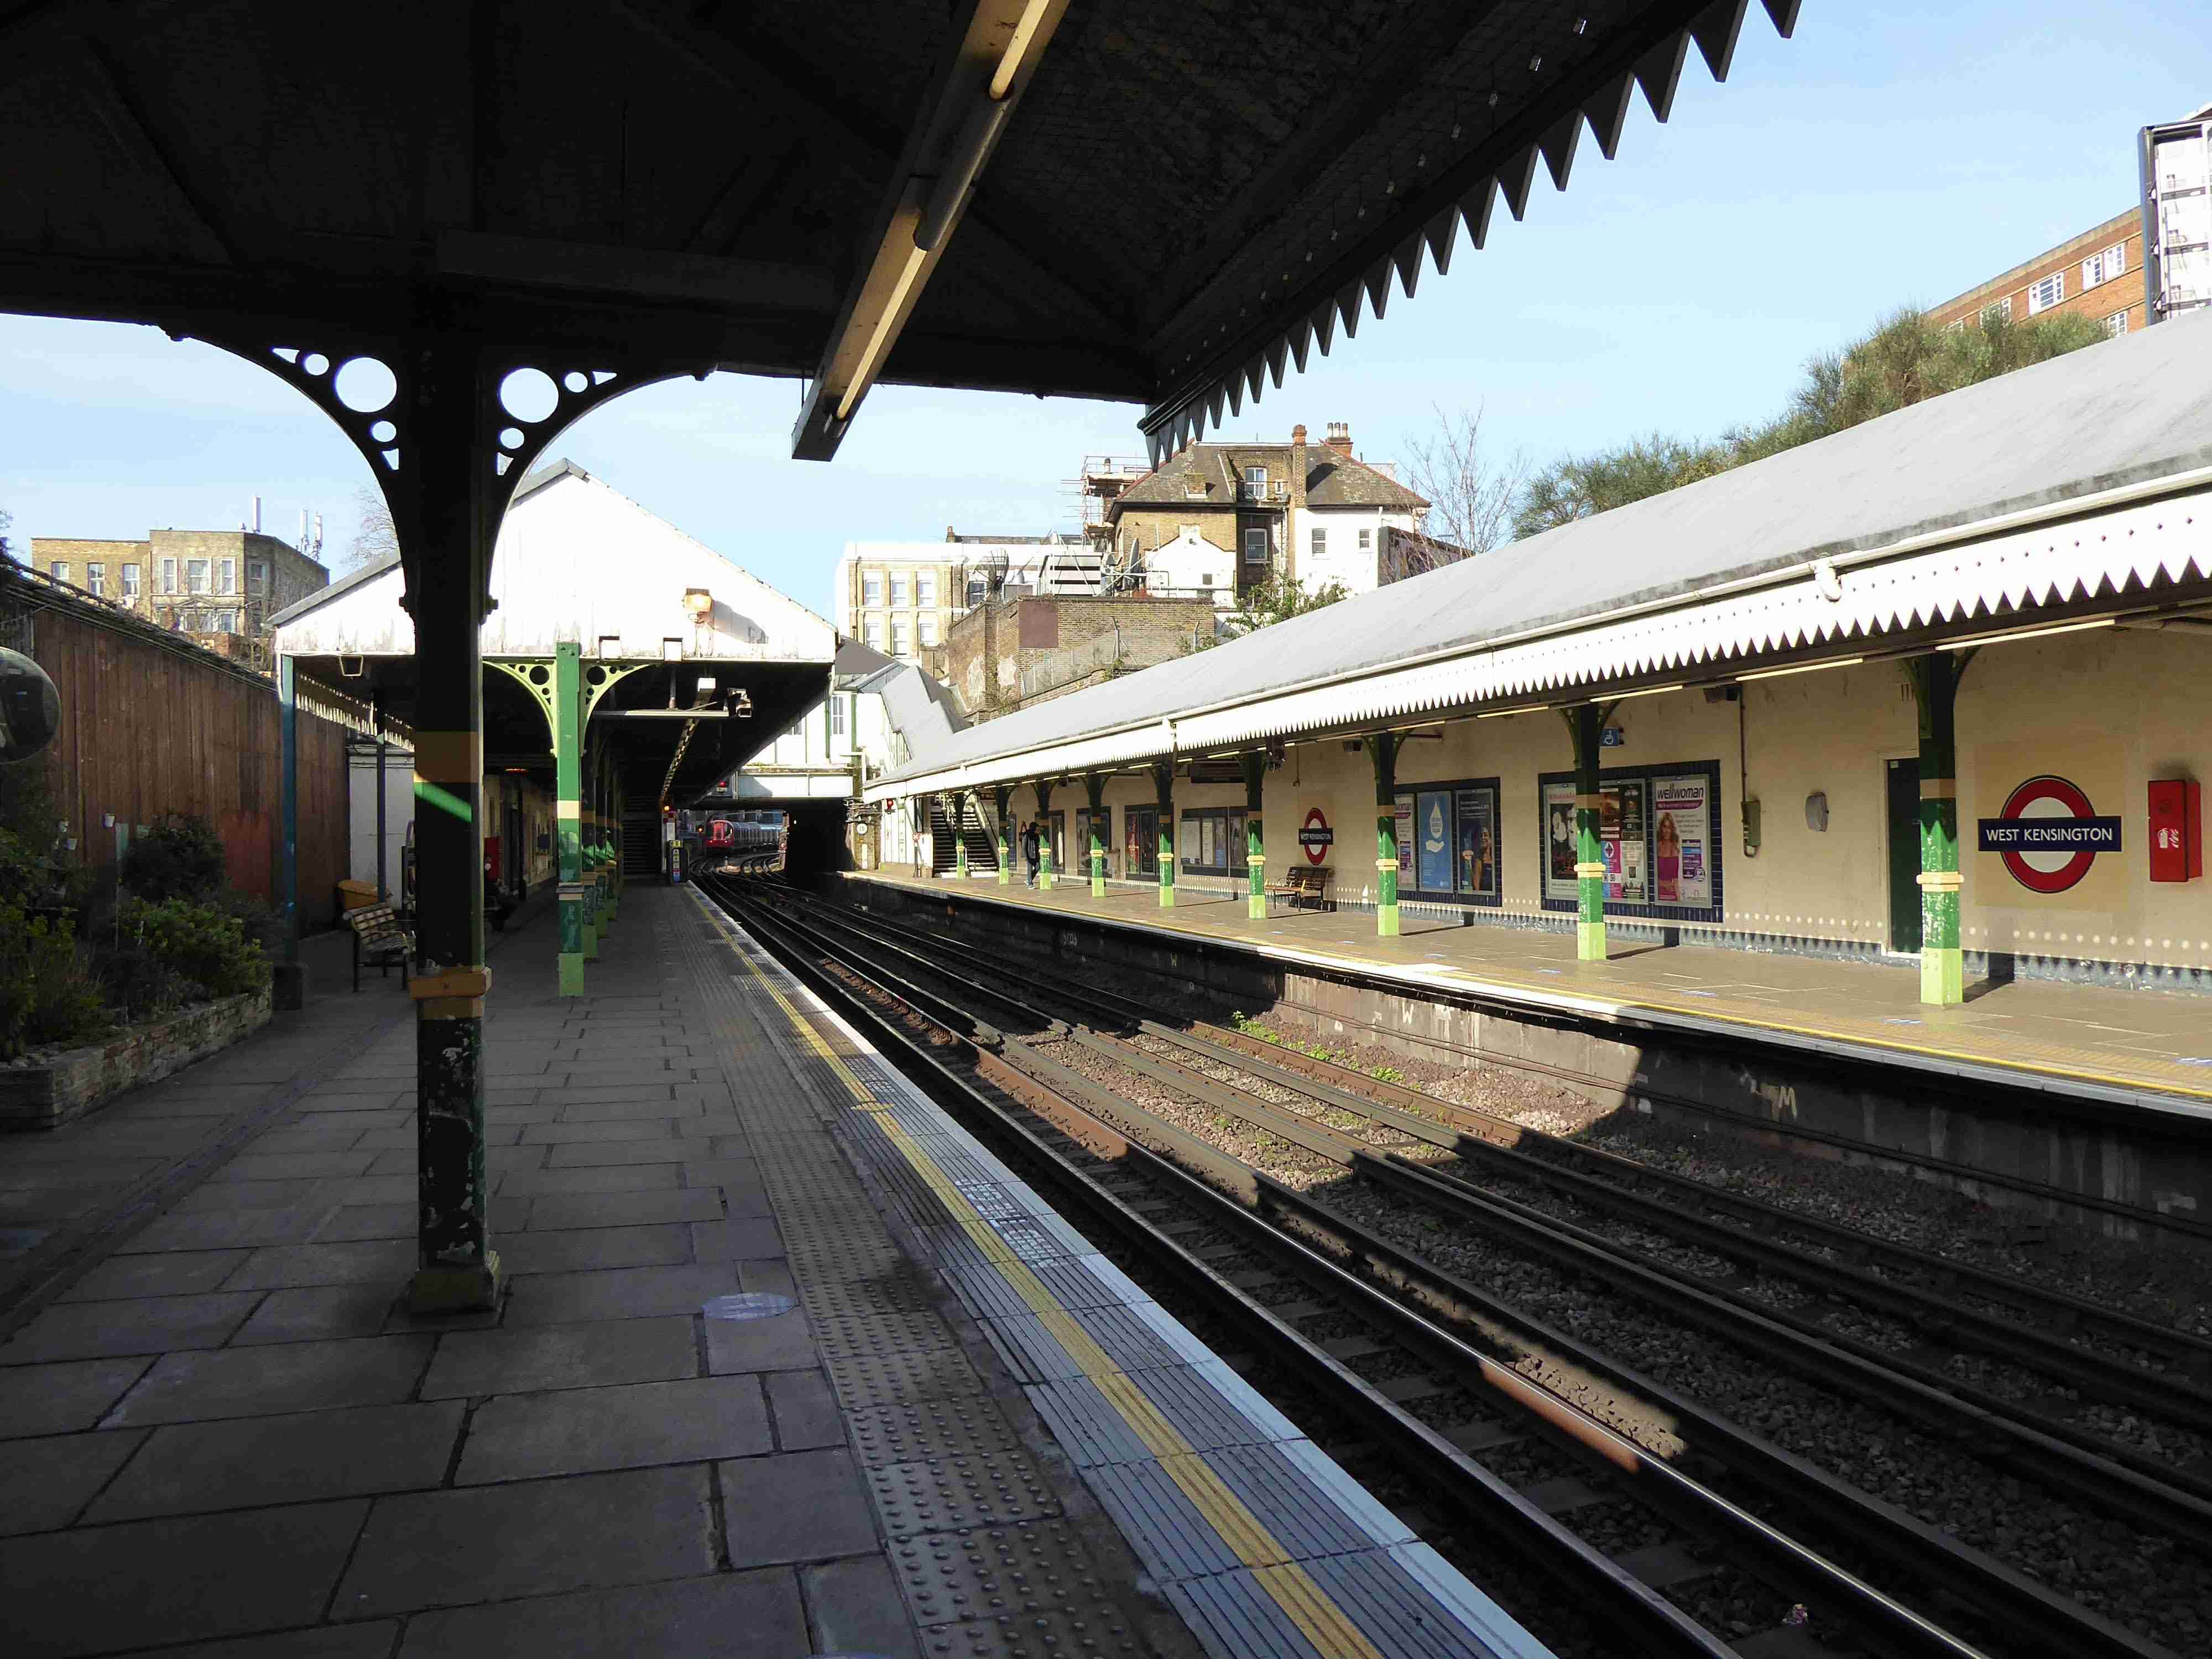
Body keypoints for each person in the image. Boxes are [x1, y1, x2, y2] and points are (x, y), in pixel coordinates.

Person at [1021, 819, 1041, 887]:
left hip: (1036, 855)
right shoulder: (1027, 835)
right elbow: (1024, 846)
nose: (1037, 830)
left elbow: (1038, 844)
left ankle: (1028, 880)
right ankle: (1030, 884)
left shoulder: (1036, 835)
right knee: (1029, 869)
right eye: (1036, 828)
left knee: (1038, 867)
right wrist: (1025, 856)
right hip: (1029, 854)